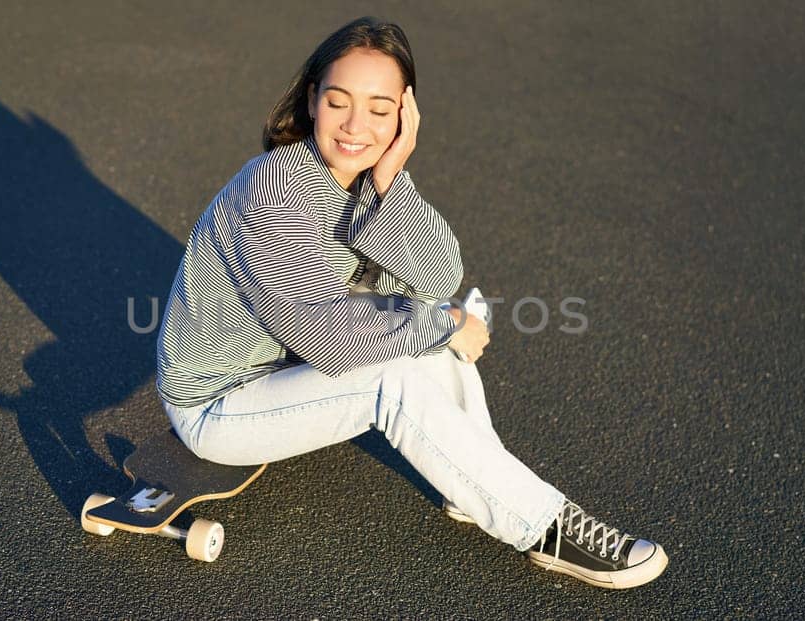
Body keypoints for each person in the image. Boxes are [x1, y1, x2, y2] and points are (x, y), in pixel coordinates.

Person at [153, 16, 667, 589]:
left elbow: (440, 275)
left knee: (426, 311)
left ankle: (477, 482)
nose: (355, 126)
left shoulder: (360, 177)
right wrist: (445, 327)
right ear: (312, 100)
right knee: (399, 370)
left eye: (379, 109)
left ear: (405, 113)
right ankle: (544, 526)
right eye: (339, 102)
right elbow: (323, 340)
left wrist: (391, 180)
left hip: (282, 362)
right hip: (220, 402)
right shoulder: (276, 194)